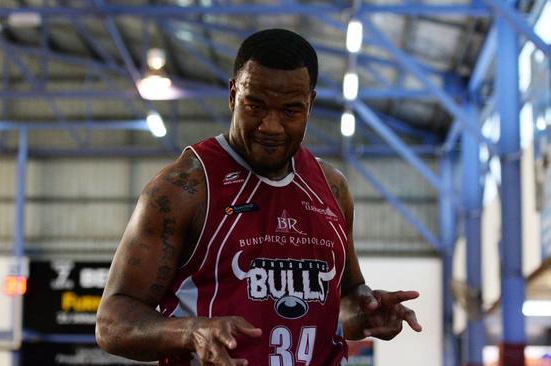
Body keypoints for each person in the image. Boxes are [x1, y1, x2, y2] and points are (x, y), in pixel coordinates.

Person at [96, 28, 422, 366]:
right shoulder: (184, 187)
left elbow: (345, 301)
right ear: (233, 94)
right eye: (255, 105)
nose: (271, 126)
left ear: (309, 103)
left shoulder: (332, 189)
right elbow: (111, 322)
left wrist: (367, 312)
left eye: (290, 111)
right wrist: (189, 331)